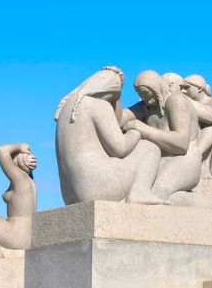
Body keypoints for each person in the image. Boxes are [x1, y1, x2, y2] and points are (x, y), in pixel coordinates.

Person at [55, 66, 164, 205]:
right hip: (97, 187)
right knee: (149, 147)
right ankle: (139, 192)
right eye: (114, 97)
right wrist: (136, 131)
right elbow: (120, 148)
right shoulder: (98, 104)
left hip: (70, 195)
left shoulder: (67, 108)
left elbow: (115, 121)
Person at [122, 70, 203, 200]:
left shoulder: (175, 100)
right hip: (159, 161)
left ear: (155, 87)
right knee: (132, 189)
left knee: (153, 192)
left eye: (146, 93)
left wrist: (141, 128)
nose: (143, 98)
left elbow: (181, 144)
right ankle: (192, 202)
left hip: (185, 160)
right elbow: (119, 118)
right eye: (140, 94)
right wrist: (115, 94)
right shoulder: (146, 105)